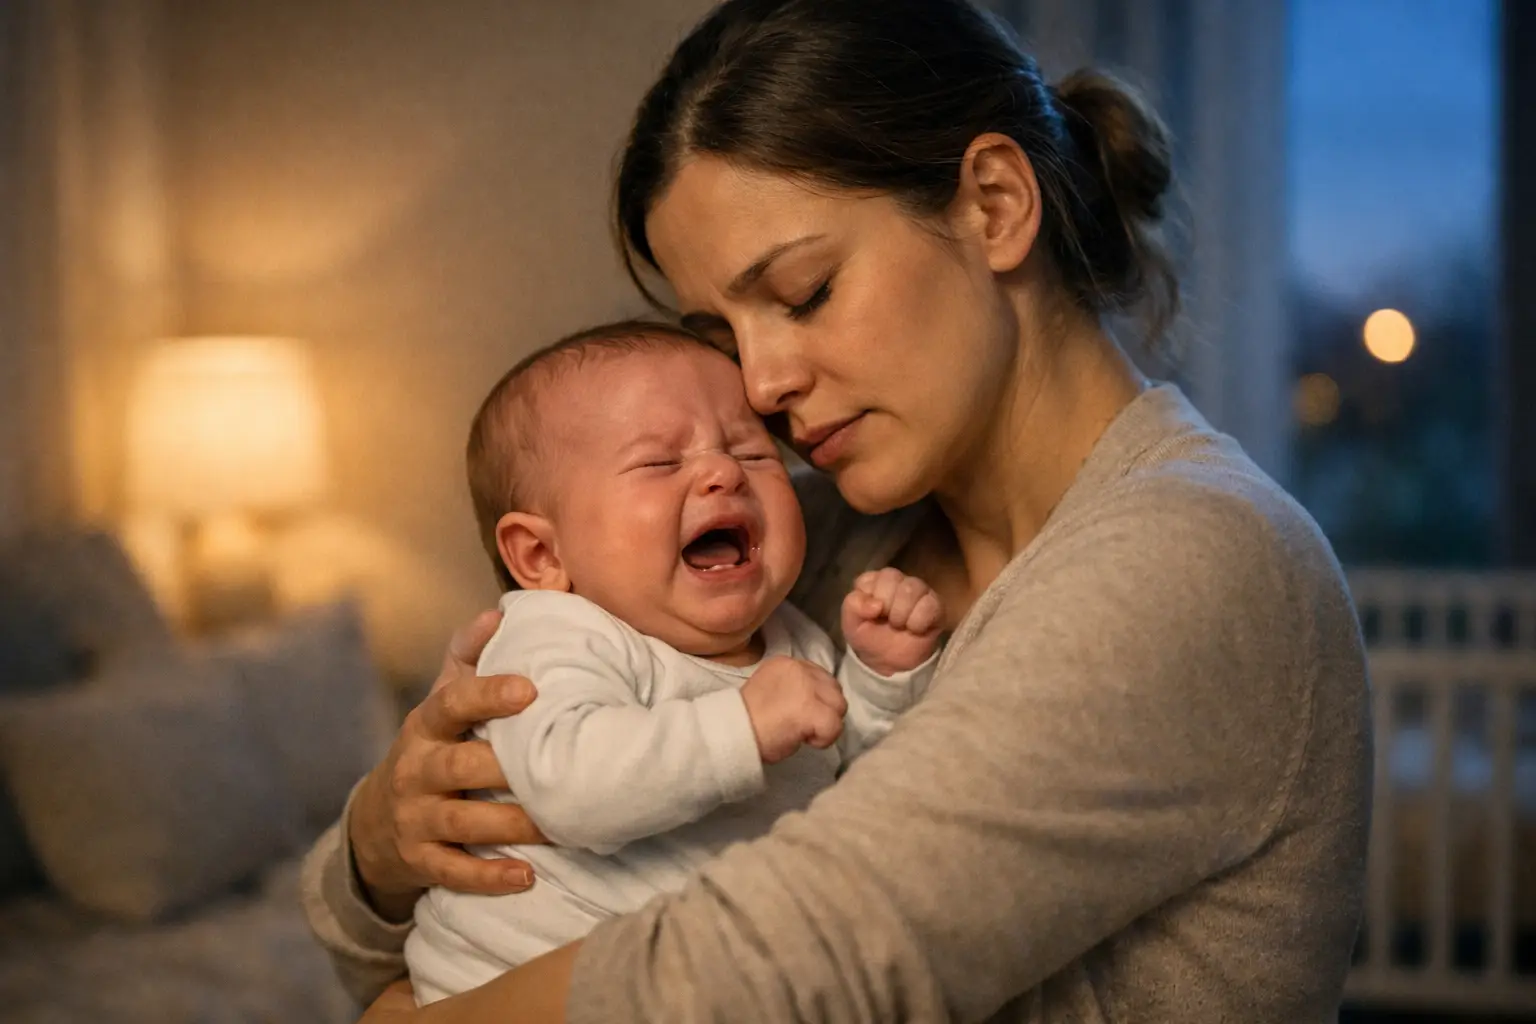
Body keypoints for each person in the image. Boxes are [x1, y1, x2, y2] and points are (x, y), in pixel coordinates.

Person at [303, 0, 1373, 1020]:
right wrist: (381, 843)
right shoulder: (799, 545)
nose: (759, 387)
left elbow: (790, 968)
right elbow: (389, 925)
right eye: (723, 335)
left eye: (806, 292)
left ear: (995, 205)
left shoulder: (1203, 558)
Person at [404, 321, 943, 1003]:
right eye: (660, 463)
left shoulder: (793, 636)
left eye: (752, 454)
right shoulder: (554, 634)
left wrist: (879, 684)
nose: (722, 473)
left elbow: (837, 790)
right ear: (542, 557)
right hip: (501, 986)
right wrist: (742, 726)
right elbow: (571, 787)